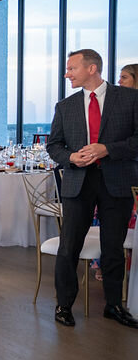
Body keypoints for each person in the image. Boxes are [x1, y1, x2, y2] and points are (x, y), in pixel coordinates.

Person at [47, 49, 138, 329]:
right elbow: (54, 146)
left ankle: (113, 305)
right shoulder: (65, 106)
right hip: (78, 182)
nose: (66, 74)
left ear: (92, 68)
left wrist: (107, 149)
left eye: (71, 68)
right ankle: (64, 305)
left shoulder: (130, 98)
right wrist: (71, 157)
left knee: (113, 248)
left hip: (116, 181)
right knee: (69, 247)